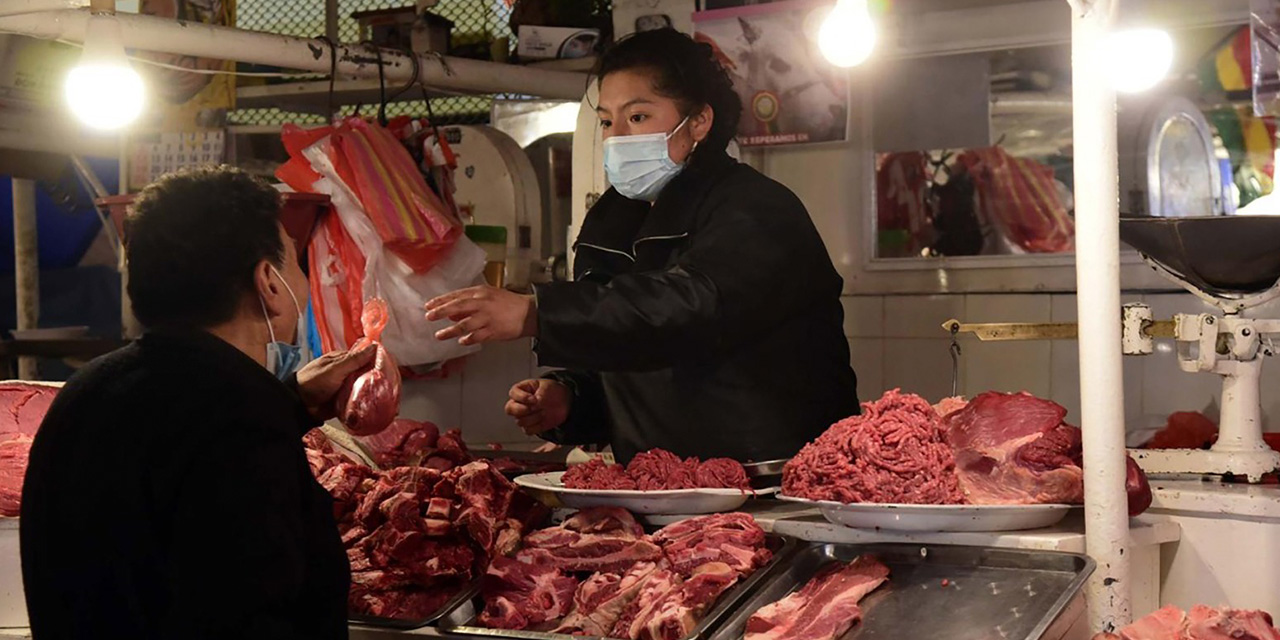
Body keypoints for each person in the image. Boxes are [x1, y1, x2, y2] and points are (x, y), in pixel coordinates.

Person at [425, 29, 859, 464]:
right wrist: (569, 400)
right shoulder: (611, 221)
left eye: (637, 118)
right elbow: (628, 355)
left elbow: (689, 308)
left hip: (774, 480)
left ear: (699, 122)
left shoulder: (757, 209)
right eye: (607, 121)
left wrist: (536, 312)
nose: (618, 137)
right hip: (660, 487)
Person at [21, 167, 372, 640]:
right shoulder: (242, 423)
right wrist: (271, 409)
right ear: (269, 283)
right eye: (295, 263)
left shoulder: (86, 392)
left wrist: (288, 404)